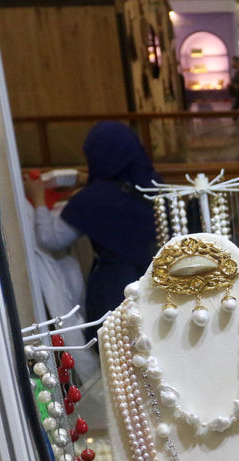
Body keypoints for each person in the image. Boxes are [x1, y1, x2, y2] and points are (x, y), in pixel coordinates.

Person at [23, 121, 160, 335]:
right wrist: (87, 179)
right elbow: (123, 190)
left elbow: (51, 239)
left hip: (116, 289)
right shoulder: (153, 183)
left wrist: (38, 197)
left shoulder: (93, 199)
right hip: (157, 283)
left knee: (120, 349)